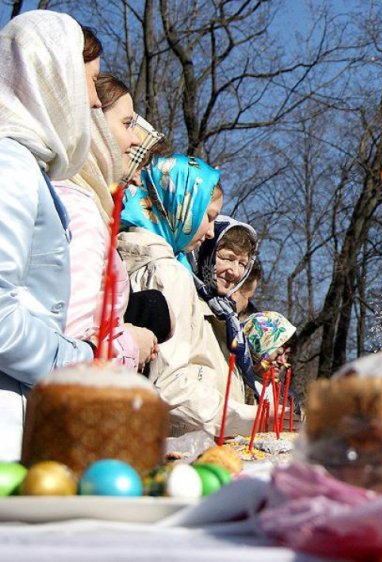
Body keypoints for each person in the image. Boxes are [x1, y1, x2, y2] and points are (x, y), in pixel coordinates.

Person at [0, 12, 102, 460]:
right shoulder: (10, 164)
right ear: (52, 76)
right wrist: (76, 360)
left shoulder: (24, 163)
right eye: (91, 81)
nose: (96, 102)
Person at [118, 154, 262, 437]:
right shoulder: (168, 273)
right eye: (206, 217)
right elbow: (170, 385)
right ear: (181, 206)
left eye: (242, 264)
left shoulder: (133, 255)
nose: (209, 232)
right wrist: (252, 419)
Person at [53, 73, 160, 372]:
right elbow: (67, 350)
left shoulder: (84, 203)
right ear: (95, 126)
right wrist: (131, 343)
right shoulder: (79, 208)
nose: (135, 139)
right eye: (127, 125)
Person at [195, 215, 259, 396]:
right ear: (207, 251)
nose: (235, 272)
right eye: (228, 258)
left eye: (242, 264)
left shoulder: (229, 319)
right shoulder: (189, 300)